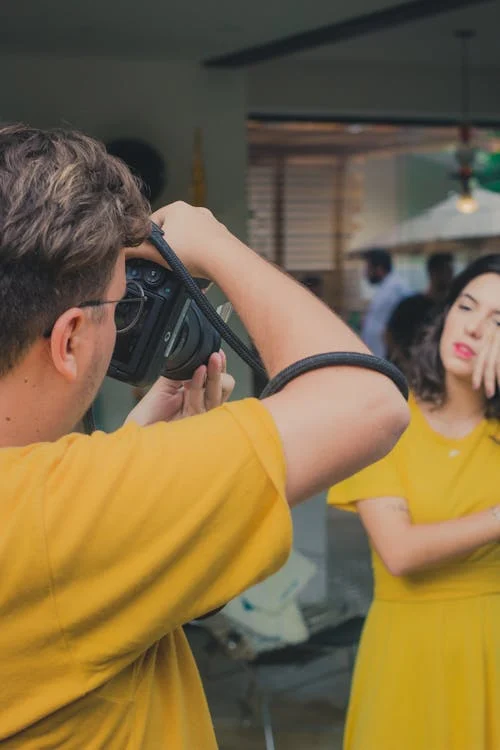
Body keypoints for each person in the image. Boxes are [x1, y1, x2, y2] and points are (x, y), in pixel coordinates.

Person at [0, 124, 409, 749]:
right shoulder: (58, 515)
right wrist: (215, 244)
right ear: (72, 339)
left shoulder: (53, 500)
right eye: (120, 304)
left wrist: (139, 456)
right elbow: (368, 402)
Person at [328, 253, 500, 750]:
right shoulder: (386, 423)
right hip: (409, 655)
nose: (474, 329)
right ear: (445, 315)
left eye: (498, 321)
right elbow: (399, 551)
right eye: (467, 307)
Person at [386, 252, 454, 372]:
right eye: (444, 270)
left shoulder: (451, 307)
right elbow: (388, 335)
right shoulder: (410, 305)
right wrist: (404, 362)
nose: (448, 275)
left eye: (449, 270)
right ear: (432, 272)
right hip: (407, 371)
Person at [361, 248, 410, 357]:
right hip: (376, 354)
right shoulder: (385, 287)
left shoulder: (396, 288)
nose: (365, 273)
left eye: (368, 268)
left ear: (378, 268)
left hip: (388, 356)